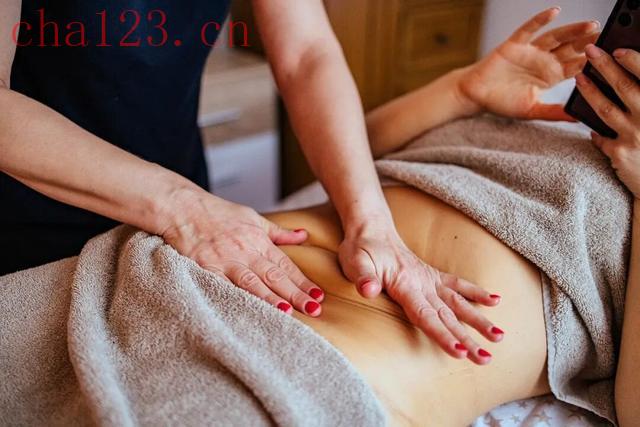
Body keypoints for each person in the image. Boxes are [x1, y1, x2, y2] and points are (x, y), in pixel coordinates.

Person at [0, 2, 599, 366]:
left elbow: (308, 53)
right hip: (29, 206)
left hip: (176, 200)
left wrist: (372, 224)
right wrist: (185, 209)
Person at [261, 10, 640, 427]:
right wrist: (463, 91)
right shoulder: (537, 108)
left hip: (327, 357)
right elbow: (344, 150)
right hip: (238, 258)